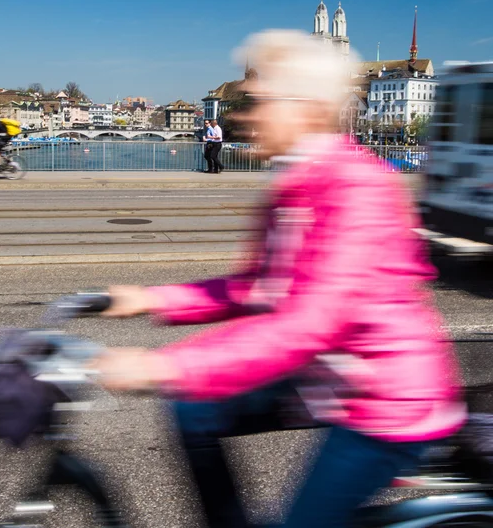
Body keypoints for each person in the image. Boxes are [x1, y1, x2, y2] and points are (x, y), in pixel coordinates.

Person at [92, 30, 466, 528]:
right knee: (194, 409)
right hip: (331, 373)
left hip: (386, 401)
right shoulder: (296, 184)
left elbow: (307, 323)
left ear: (308, 109)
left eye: (259, 102)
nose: (244, 116)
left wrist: (168, 367)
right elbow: (254, 289)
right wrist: (149, 297)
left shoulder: (356, 187)